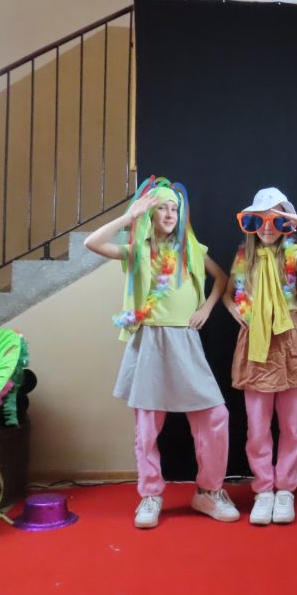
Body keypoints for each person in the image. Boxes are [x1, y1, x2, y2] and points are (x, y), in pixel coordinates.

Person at [85, 176, 239, 529]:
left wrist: (206, 309)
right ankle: (151, 494)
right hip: (150, 342)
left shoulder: (191, 250)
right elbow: (92, 243)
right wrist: (129, 217)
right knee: (147, 428)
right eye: (162, 208)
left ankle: (209, 491)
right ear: (149, 214)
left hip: (185, 341)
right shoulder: (137, 251)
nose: (169, 214)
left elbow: (221, 278)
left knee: (215, 416)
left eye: (174, 208)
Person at [224, 187, 297, 525]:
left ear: (286, 223)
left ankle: (286, 490)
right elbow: (229, 293)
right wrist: (235, 311)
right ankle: (264, 489)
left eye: (276, 220)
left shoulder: (292, 252)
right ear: (251, 224)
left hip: (288, 338)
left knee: (294, 426)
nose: (267, 228)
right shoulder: (244, 256)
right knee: (257, 427)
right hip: (256, 340)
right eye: (260, 220)